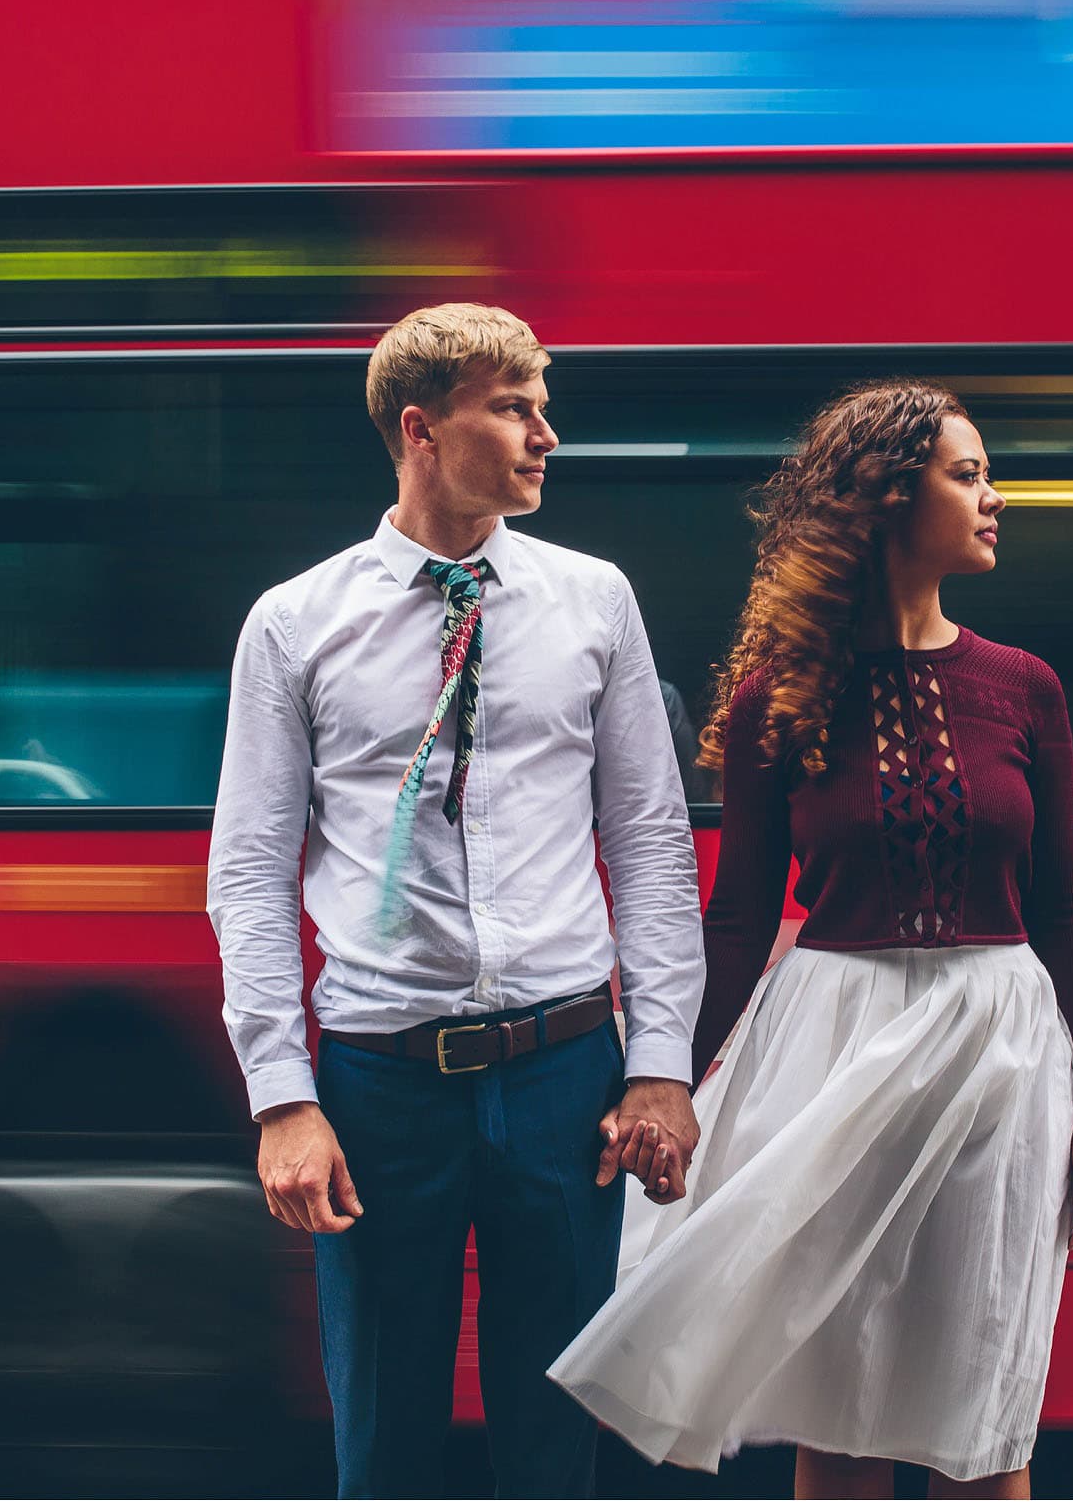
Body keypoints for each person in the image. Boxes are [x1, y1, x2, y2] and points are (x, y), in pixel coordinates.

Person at [548, 381, 1073, 1499]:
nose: (994, 497)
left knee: (985, 1404)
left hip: (1003, 1050)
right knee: (843, 1405)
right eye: (968, 475)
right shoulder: (778, 700)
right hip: (834, 1050)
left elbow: (1062, 906)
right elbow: (739, 914)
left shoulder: (1026, 690)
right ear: (892, 499)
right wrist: (656, 1077)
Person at [207, 303, 705, 1498]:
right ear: (421, 429)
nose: (547, 435)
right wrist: (283, 1095)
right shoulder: (295, 624)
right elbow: (249, 867)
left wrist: (663, 1065)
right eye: (515, 407)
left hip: (566, 1076)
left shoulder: (595, 601)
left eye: (544, 406)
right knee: (382, 1442)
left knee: (557, 1448)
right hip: (381, 1086)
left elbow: (648, 837)